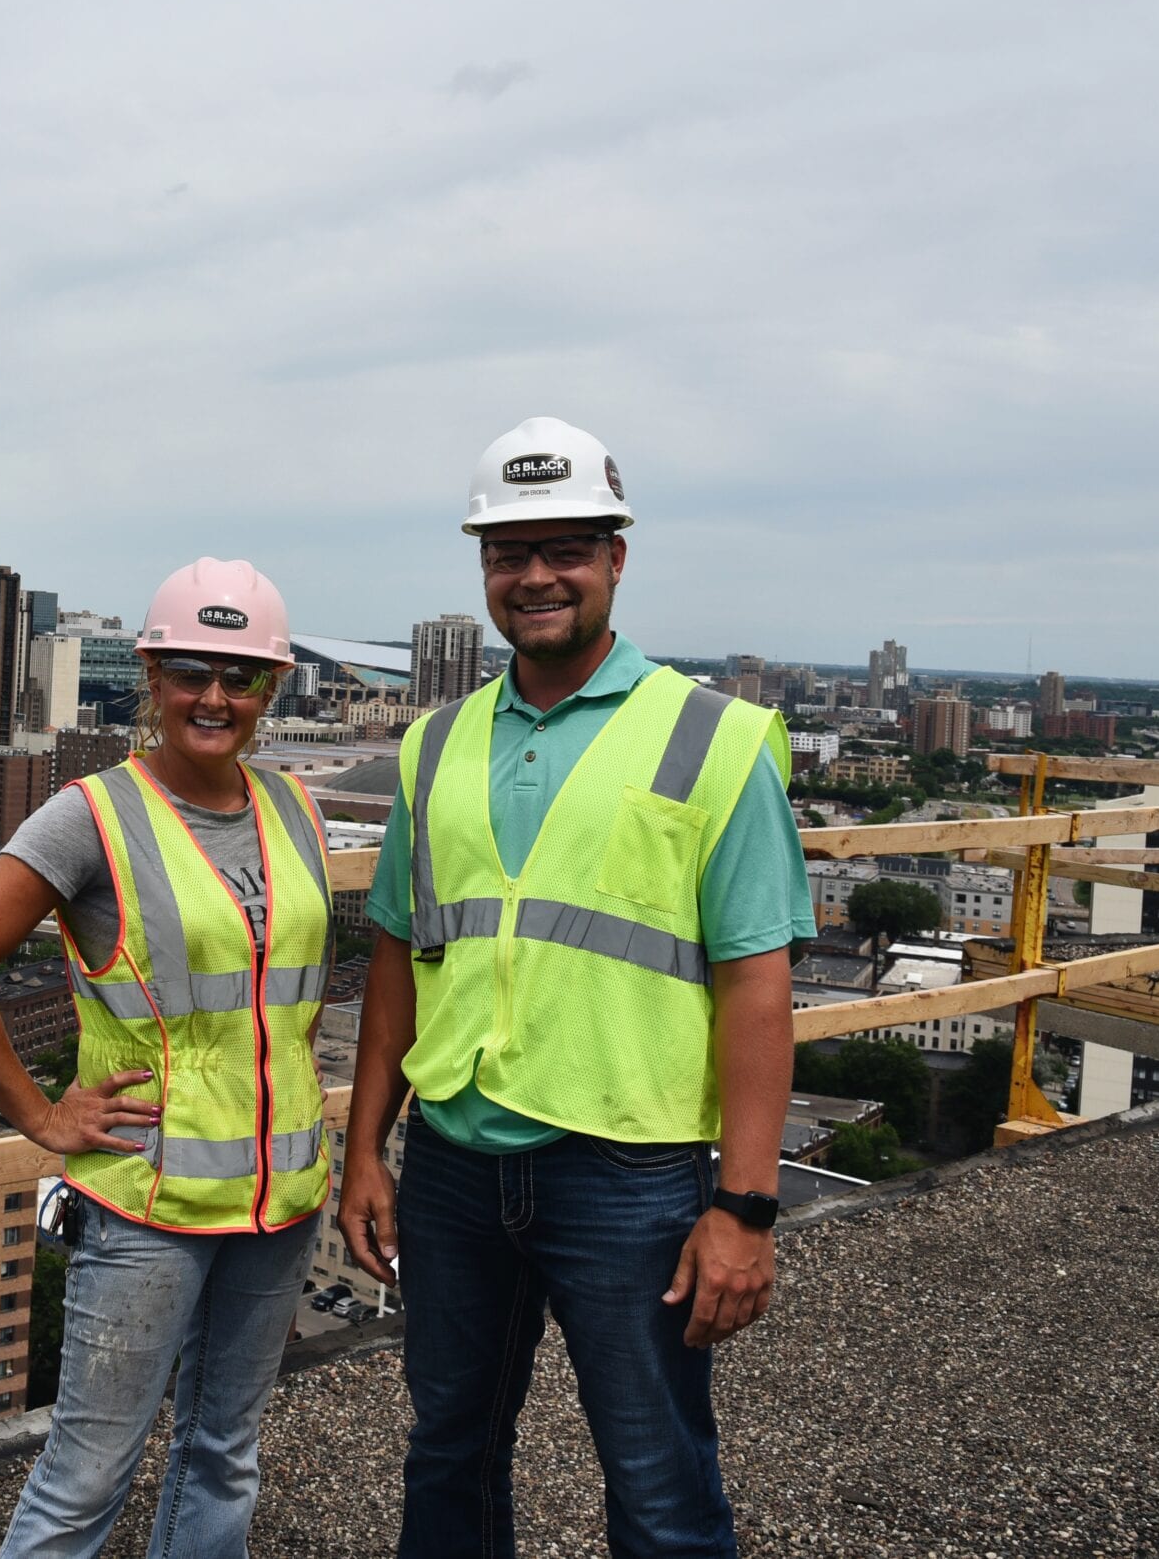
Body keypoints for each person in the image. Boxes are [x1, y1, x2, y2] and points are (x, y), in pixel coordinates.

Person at [337, 416, 812, 1559]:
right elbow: (401, 954)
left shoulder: (718, 739)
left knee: (658, 1479)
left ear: (616, 560)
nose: (536, 576)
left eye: (567, 549)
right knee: (449, 1450)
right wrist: (366, 1148)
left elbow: (760, 988)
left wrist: (744, 1208)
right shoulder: (434, 745)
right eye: (509, 552)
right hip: (454, 1161)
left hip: (628, 1172)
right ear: (484, 569)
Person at [0, 558, 334, 1559]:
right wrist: (40, 1117)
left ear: (270, 688)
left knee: (224, 1452)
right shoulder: (92, 814)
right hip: (148, 1204)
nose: (216, 697)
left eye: (243, 677)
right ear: (152, 674)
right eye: (193, 670)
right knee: (86, 1477)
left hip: (279, 1202)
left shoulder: (295, 809)